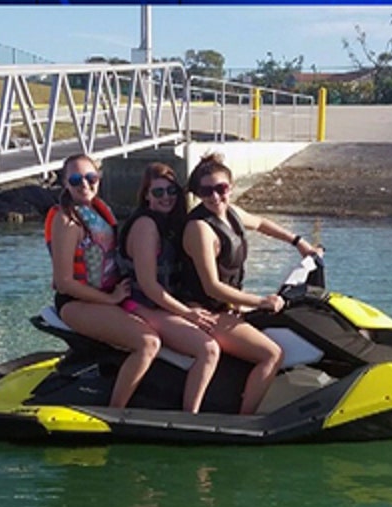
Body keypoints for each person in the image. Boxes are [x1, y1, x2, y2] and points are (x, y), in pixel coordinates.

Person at [178, 154, 324, 415]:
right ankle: (245, 419)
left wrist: (299, 243)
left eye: (220, 188)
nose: (215, 196)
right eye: (206, 191)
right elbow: (211, 286)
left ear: (230, 187)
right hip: (207, 311)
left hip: (230, 305)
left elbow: (262, 224)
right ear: (198, 194)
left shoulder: (231, 213)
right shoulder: (200, 228)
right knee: (272, 354)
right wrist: (261, 302)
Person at [45, 153, 160, 409]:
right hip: (76, 303)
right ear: (64, 183)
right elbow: (64, 282)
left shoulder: (96, 211)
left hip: (110, 296)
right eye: (75, 179)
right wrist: (111, 299)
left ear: (99, 177)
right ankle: (116, 411)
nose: (84, 184)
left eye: (90, 177)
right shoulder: (67, 221)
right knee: (147, 343)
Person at [117, 162, 222, 413]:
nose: (167, 197)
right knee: (207, 349)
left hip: (162, 304)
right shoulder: (146, 226)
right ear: (146, 196)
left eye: (171, 191)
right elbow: (148, 285)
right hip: (141, 305)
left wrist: (299, 243)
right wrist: (188, 314)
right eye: (158, 192)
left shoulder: (171, 224)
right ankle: (189, 418)